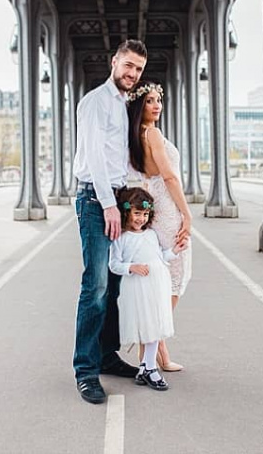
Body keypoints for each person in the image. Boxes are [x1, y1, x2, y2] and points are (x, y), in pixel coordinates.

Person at [72, 40, 147, 405]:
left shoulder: (121, 106)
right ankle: (85, 371)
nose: (132, 74)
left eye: (138, 70)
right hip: (95, 200)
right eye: (128, 65)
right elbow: (97, 160)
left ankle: (105, 356)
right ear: (114, 61)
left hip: (114, 198)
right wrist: (108, 206)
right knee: (97, 286)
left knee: (115, 286)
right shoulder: (95, 103)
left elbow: (121, 161)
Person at [127, 80, 192, 371]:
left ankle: (157, 353)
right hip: (167, 210)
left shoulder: (136, 137)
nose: (157, 106)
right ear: (140, 105)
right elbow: (169, 176)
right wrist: (187, 214)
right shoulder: (152, 133)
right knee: (175, 279)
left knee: (161, 280)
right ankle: (153, 348)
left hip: (156, 207)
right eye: (150, 101)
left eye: (158, 100)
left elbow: (145, 178)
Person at [109, 187, 187, 391]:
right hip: (136, 286)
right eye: (137, 213)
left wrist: (174, 251)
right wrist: (131, 267)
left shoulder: (151, 234)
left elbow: (159, 257)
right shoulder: (120, 238)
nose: (141, 219)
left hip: (156, 284)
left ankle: (148, 367)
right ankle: (148, 368)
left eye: (145, 214)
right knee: (146, 326)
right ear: (127, 212)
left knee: (155, 324)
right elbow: (114, 264)